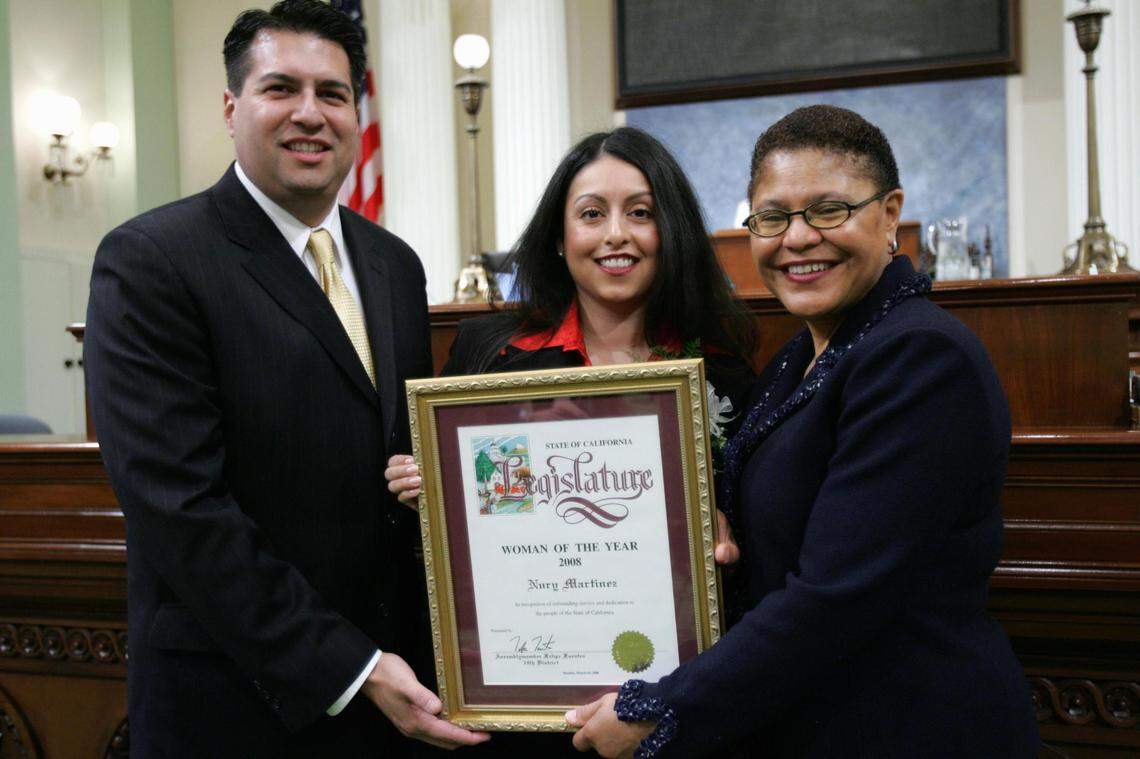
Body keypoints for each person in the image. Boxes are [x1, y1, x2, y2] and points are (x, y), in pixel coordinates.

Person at [566, 105, 1041, 758]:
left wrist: (662, 707)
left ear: (889, 212)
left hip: (910, 725)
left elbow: (837, 594)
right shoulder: (800, 355)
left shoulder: (923, 356)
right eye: (772, 217)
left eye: (828, 209)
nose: (797, 238)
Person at [83, 1, 487, 755]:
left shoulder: (394, 264)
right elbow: (182, 509)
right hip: (236, 703)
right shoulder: (152, 261)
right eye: (281, 89)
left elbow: (399, 471)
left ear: (357, 114)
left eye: (332, 94)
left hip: (396, 697)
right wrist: (353, 666)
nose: (310, 113)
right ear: (232, 106)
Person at [385, 127, 756, 755]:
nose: (617, 234)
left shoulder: (719, 372)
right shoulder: (491, 355)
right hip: (517, 702)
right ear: (559, 239)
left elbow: (749, 526)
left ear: (673, 233)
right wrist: (428, 490)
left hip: (661, 709)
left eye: (641, 213)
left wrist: (723, 525)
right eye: (592, 214)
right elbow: (482, 515)